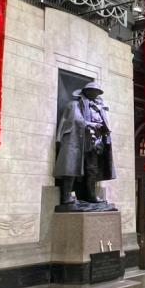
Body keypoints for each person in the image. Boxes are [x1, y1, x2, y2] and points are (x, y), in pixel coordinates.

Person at [53, 81, 116, 211]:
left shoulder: (99, 108)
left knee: (92, 170)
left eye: (97, 92)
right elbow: (73, 120)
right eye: (93, 91)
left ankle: (91, 196)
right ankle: (66, 197)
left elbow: (105, 123)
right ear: (86, 91)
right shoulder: (74, 105)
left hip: (94, 143)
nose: (95, 94)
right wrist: (89, 124)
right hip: (77, 141)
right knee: (71, 168)